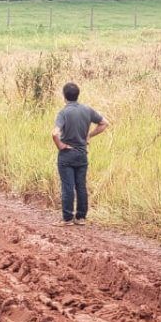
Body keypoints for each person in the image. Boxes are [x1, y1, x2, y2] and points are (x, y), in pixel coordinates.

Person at [51, 82, 110, 226]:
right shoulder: (87, 110)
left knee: (67, 186)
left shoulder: (63, 113)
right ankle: (81, 217)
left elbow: (54, 133)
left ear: (64, 96)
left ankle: (67, 218)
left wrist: (61, 145)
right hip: (82, 153)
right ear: (78, 95)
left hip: (67, 154)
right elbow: (104, 123)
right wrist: (89, 136)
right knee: (81, 186)